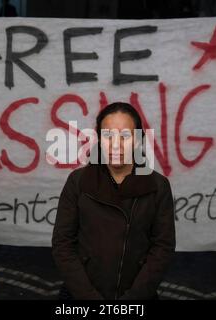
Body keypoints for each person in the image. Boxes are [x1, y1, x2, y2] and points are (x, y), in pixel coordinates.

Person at [52, 102, 175, 300]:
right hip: (81, 295)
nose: (116, 145)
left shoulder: (158, 186)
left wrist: (133, 298)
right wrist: (88, 297)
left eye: (125, 136)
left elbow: (163, 248)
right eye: (108, 136)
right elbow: (62, 244)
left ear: (137, 140)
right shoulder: (78, 181)